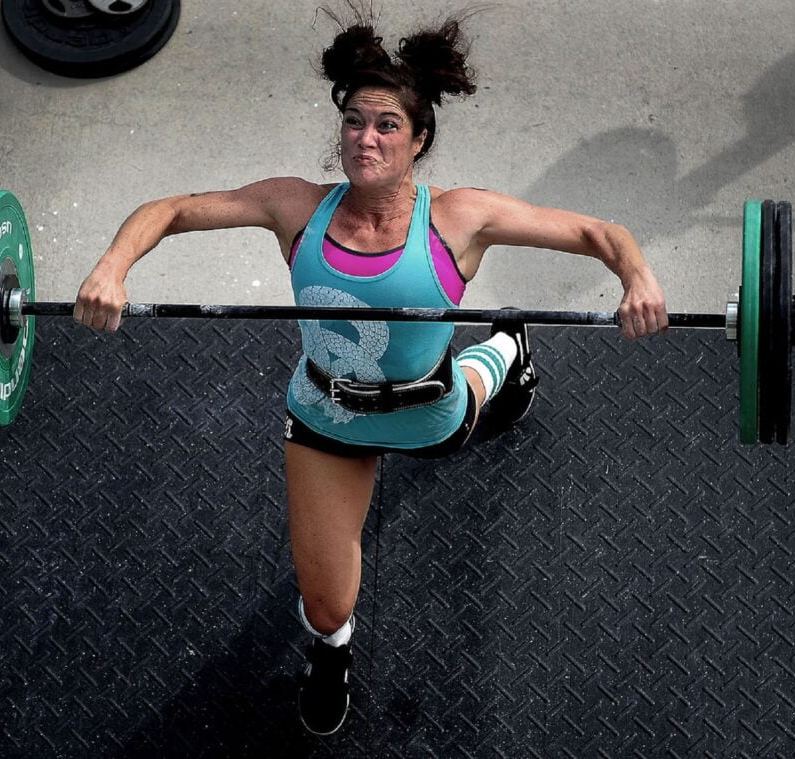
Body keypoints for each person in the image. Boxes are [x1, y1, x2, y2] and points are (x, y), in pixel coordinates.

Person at [74, 11, 668, 736]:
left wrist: (635, 277)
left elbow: (598, 233)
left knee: (476, 391)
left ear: (419, 139)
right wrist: (112, 264)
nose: (366, 138)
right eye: (355, 121)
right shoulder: (295, 205)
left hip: (429, 408)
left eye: (387, 124)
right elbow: (168, 211)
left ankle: (507, 349)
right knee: (327, 603)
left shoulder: (458, 218)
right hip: (329, 418)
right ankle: (332, 650)